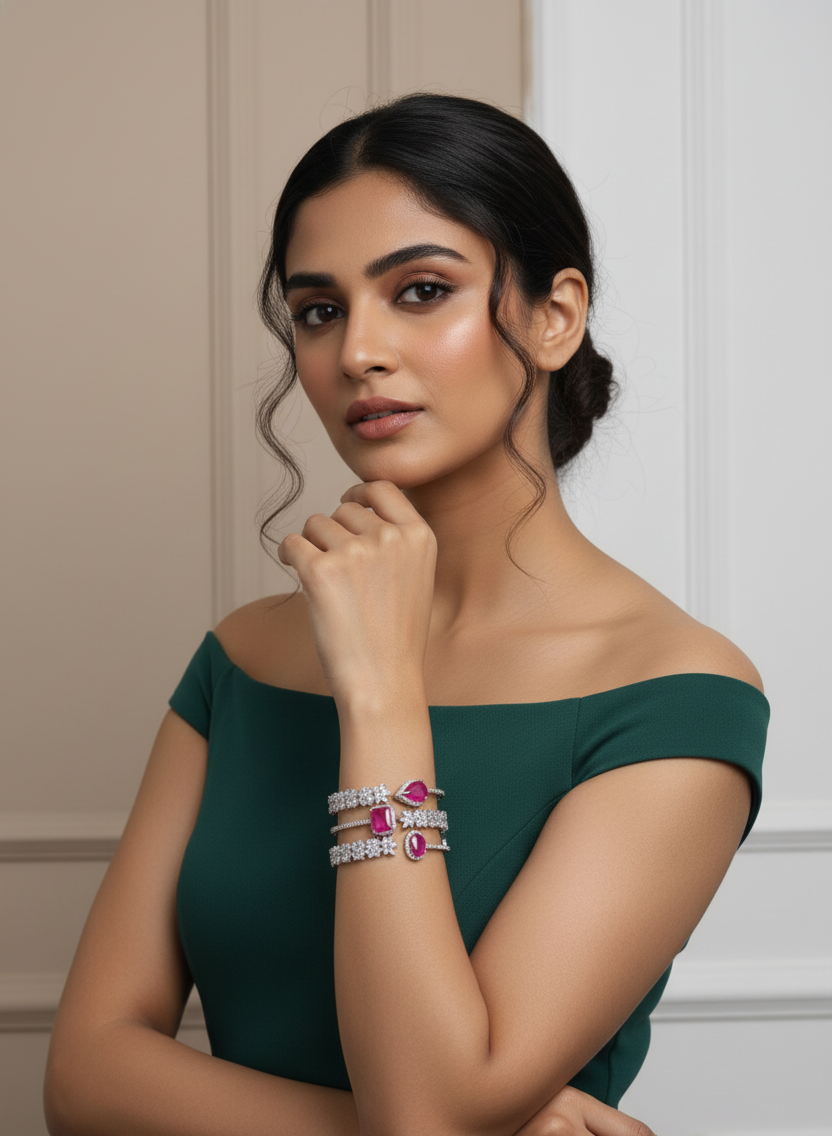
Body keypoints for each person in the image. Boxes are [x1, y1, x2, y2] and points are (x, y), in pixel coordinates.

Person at [44, 93, 768, 1136]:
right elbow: (81, 1076)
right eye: (319, 309)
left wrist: (380, 690)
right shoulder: (241, 660)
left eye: (421, 290)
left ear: (553, 315)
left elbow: (426, 1116)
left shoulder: (676, 696)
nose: (358, 352)